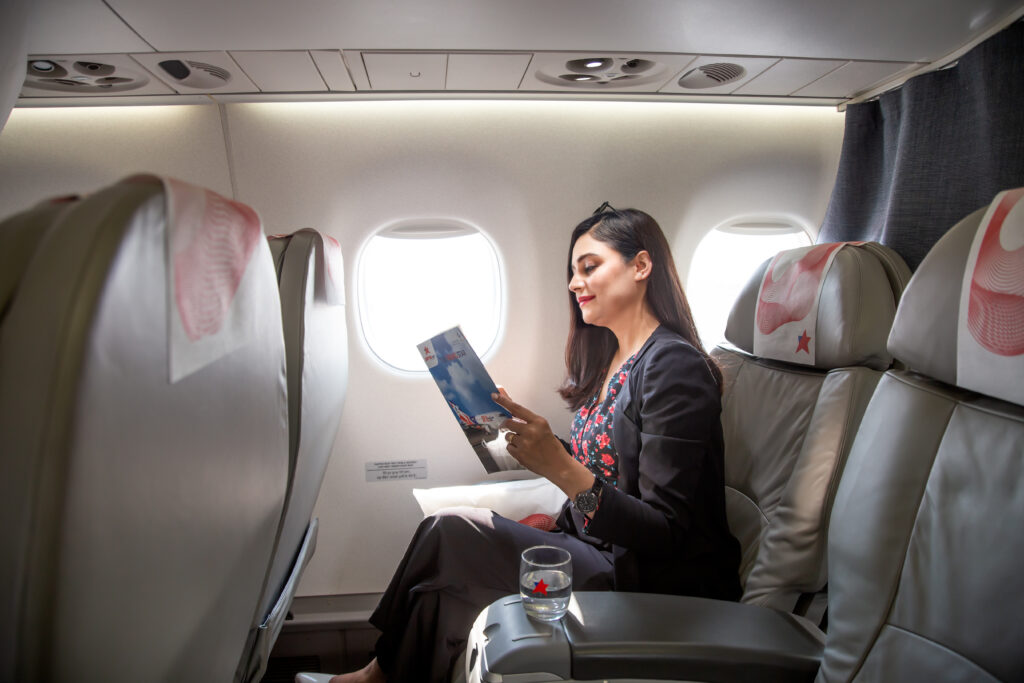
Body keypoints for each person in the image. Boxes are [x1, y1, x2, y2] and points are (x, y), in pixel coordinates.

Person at [330, 206, 741, 683]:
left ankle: (377, 675)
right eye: (572, 272)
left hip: (643, 576)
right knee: (447, 572)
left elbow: (664, 531)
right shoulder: (615, 360)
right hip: (592, 545)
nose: (573, 283)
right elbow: (606, 465)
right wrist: (530, 440)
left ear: (641, 266)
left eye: (589, 266)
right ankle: (385, 673)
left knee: (449, 532)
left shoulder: (675, 367)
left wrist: (558, 467)